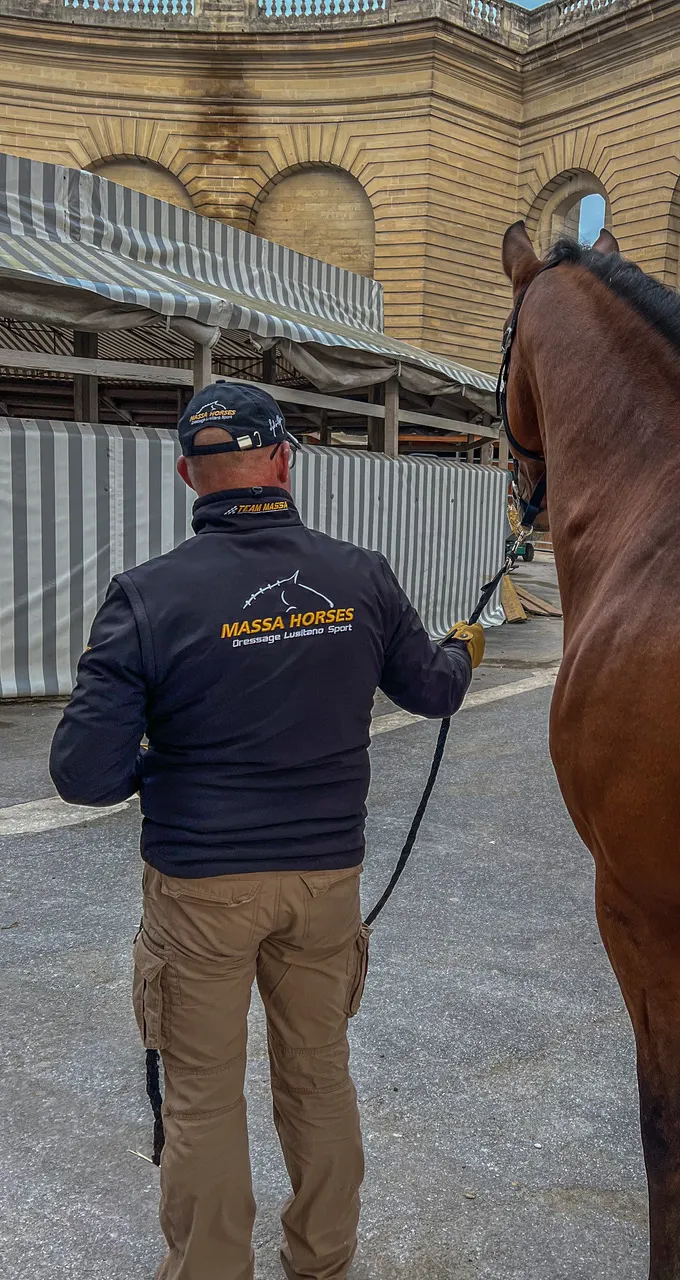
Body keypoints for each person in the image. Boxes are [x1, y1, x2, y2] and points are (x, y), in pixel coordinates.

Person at [48, 381, 485, 1280]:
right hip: (325, 884)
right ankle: (322, 1262)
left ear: (185, 477)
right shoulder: (360, 576)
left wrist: (164, 774)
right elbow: (435, 689)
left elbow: (82, 774)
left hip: (201, 887)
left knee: (204, 1098)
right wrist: (466, 645)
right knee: (318, 1075)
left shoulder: (148, 596)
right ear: (286, 461)